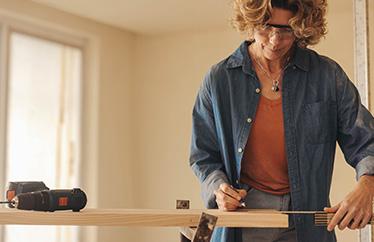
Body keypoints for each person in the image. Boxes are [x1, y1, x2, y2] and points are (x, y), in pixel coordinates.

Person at [189, 0, 374, 241]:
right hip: (243, 218)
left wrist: (367, 186)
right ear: (251, 20)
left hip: (305, 219)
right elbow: (203, 156)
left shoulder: (327, 77)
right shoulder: (219, 80)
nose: (275, 40)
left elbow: (366, 141)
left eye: (286, 30)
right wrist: (218, 188)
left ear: (302, 27)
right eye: (266, 27)